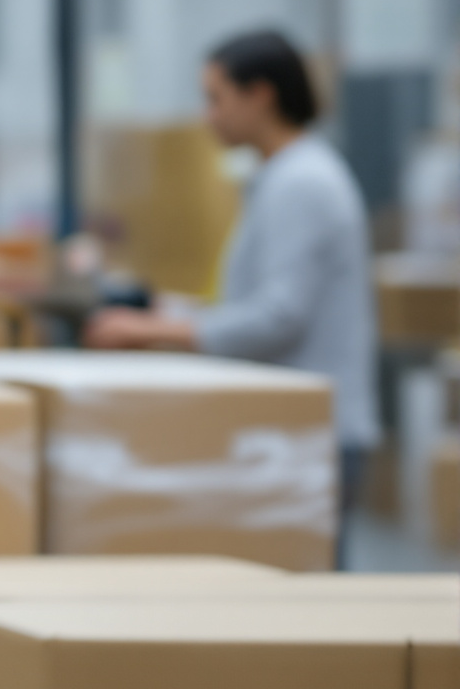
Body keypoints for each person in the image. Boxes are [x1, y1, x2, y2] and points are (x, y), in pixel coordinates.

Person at [84, 28, 378, 564]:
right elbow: (255, 304)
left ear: (260, 94)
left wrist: (154, 331)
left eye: (216, 98)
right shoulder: (280, 179)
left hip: (313, 434)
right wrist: (166, 311)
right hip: (293, 432)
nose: (208, 117)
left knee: (308, 600)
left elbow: (278, 318)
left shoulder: (303, 184)